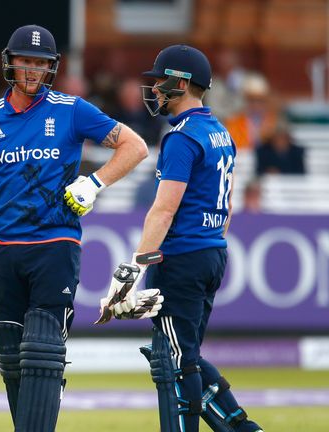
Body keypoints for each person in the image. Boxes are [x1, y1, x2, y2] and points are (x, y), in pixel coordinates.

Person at [0, 24, 149, 432]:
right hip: (2, 249)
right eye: (25, 61)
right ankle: (47, 394)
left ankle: (47, 389)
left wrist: (95, 182)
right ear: (10, 63)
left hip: (55, 243)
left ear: (51, 67)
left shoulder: (72, 110)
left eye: (41, 63)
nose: (32, 70)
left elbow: (134, 146)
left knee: (41, 350)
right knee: (13, 359)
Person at [103, 44, 263, 432]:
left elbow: (163, 209)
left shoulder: (182, 136)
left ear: (182, 83)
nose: (155, 88)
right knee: (186, 354)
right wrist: (207, 243)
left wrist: (133, 270)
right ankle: (242, 427)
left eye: (161, 81)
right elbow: (224, 207)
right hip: (211, 253)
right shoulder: (219, 131)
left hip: (181, 259)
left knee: (174, 360)